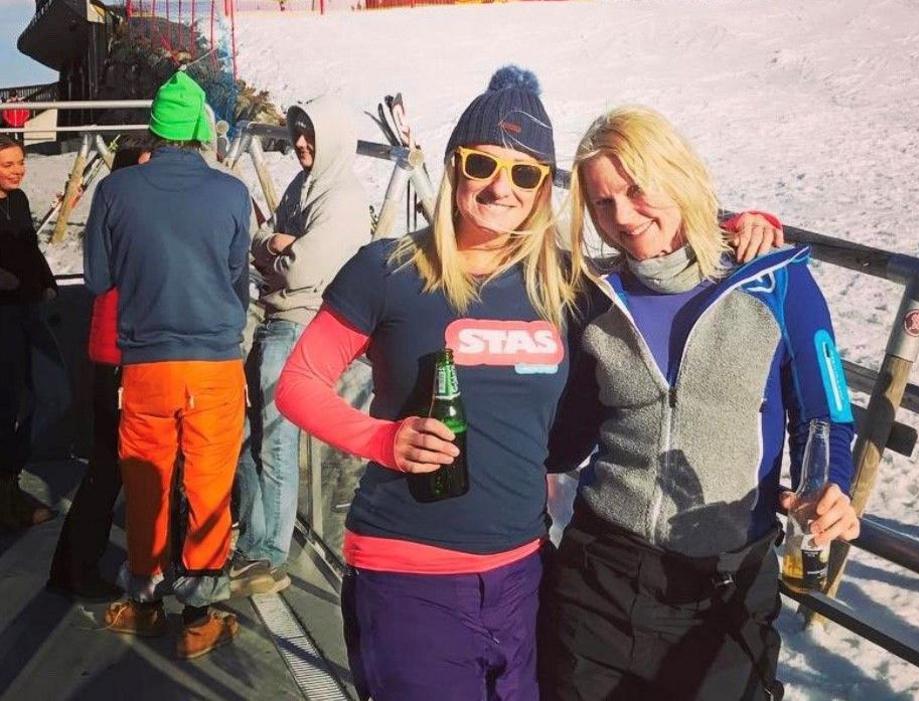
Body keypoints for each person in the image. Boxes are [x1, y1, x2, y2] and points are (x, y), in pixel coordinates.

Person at [274, 67, 783, 700]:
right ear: (456, 165)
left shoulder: (565, 283)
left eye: (524, 173)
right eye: (483, 163)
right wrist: (383, 440)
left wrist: (737, 226)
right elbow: (298, 383)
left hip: (524, 572)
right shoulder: (390, 268)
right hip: (408, 571)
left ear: (544, 188)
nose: (499, 187)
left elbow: (655, 249)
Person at [539, 105, 861, 700]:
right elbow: (568, 435)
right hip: (598, 576)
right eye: (604, 203)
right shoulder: (596, 296)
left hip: (723, 587)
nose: (625, 218)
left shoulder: (775, 280)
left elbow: (825, 414)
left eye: (638, 190)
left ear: (677, 174)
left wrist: (828, 486)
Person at [83, 71, 251, 659]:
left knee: (146, 482)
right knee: (208, 489)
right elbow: (237, 278)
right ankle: (201, 616)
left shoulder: (115, 191)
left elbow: (99, 280)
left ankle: (146, 603)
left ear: (153, 127)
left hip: (145, 366)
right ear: (201, 130)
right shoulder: (232, 193)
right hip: (215, 367)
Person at [231, 97, 371, 597]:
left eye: (310, 133)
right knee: (253, 435)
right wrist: (276, 245)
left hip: (300, 326)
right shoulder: (302, 186)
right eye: (297, 132)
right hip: (276, 318)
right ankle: (254, 539)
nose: (301, 142)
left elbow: (305, 268)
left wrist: (279, 253)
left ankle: (269, 554)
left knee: (276, 439)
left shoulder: (342, 199)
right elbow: (267, 241)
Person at [47, 136, 153, 601]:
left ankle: (75, 565)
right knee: (108, 467)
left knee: (110, 465)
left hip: (113, 356)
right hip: (119, 358)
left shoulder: (114, 215)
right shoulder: (126, 221)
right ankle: (74, 568)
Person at [0, 134, 59, 531]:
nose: (18, 170)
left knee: (45, 395)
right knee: (7, 405)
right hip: (3, 316)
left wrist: (48, 281)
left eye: (21, 162)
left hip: (28, 311)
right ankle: (7, 498)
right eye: (8, 165)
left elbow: (32, 249)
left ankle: (9, 482)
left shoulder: (17, 201)